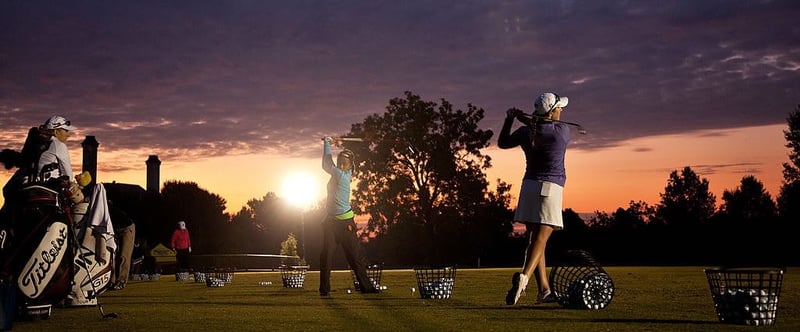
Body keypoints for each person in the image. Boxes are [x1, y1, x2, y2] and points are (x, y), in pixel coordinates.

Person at [498, 92, 572, 305]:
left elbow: (502, 142)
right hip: (550, 188)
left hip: (528, 187)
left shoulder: (524, 132)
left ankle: (544, 291)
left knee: (535, 241)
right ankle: (524, 278)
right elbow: (544, 125)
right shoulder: (562, 132)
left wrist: (510, 118)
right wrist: (526, 119)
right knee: (541, 239)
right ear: (552, 111)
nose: (561, 111)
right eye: (559, 108)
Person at [318, 137, 378, 297]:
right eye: (340, 160)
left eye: (345, 161)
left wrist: (327, 143)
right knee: (326, 255)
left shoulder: (343, 176)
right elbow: (329, 164)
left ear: (351, 165)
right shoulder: (336, 174)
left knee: (354, 256)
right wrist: (328, 143)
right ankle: (324, 290)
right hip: (330, 222)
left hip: (345, 224)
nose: (342, 163)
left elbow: (326, 164)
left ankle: (367, 287)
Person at [109, 200, 136, 290]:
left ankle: (121, 281)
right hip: (115, 230)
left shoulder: (110, 210)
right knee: (112, 256)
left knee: (124, 255)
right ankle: (111, 281)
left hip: (126, 228)